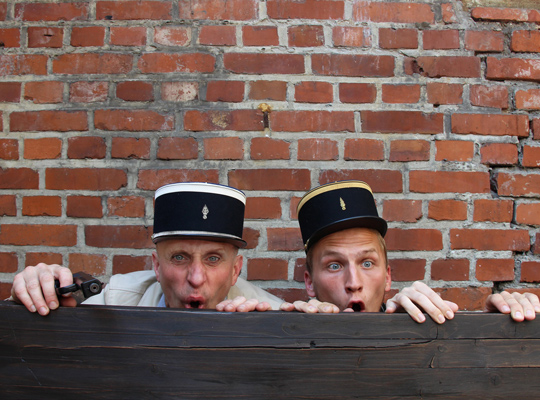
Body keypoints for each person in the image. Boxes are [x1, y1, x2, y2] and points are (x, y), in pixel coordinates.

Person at [281, 180, 540, 323]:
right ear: (309, 282)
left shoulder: (418, 322)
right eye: (334, 265)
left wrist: (499, 323)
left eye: (368, 263)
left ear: (388, 277)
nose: (354, 283)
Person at [10, 182, 283, 315]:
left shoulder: (270, 312)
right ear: (156, 265)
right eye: (179, 257)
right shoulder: (117, 300)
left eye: (213, 258)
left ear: (236, 270)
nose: (196, 277)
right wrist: (32, 296)